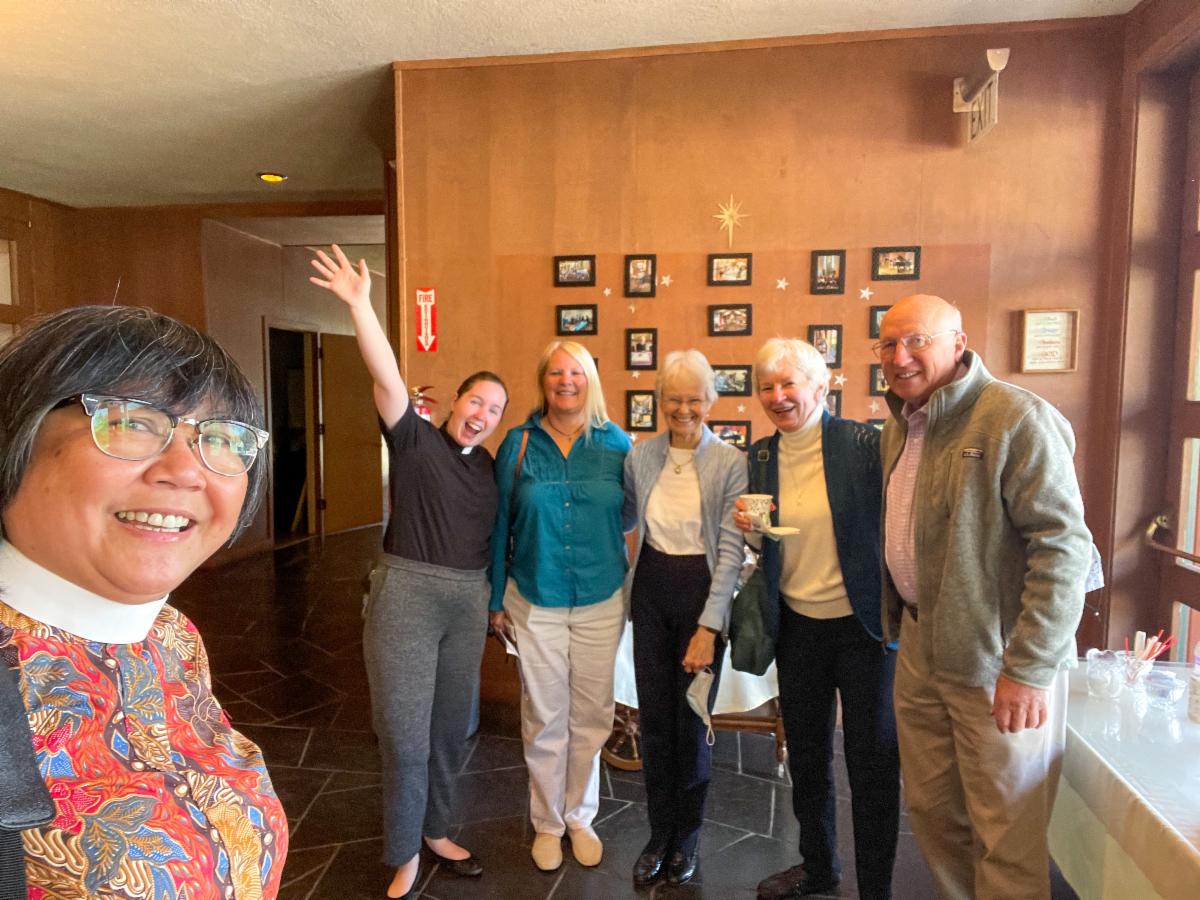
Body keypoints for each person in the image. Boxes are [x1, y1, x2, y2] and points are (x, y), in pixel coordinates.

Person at [0, 305, 288, 897]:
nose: (186, 472)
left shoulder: (172, 635)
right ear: (15, 435)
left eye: (220, 437)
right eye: (130, 421)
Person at [877, 294, 1091, 899]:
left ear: (958, 343)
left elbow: (1064, 548)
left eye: (916, 340)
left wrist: (1028, 668)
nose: (900, 356)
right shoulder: (900, 426)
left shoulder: (1015, 417)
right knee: (935, 816)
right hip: (919, 648)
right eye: (889, 344)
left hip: (997, 659)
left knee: (1006, 831)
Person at [310, 246, 509, 899]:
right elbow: (388, 376)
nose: (481, 414)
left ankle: (437, 830)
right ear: (456, 402)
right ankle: (403, 851)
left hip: (467, 603)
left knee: (451, 731)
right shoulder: (414, 439)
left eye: (494, 410)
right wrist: (358, 304)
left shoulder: (490, 469)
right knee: (403, 734)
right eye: (476, 401)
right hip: (406, 596)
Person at [735, 337, 900, 900]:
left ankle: (875, 886)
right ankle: (819, 866)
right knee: (807, 756)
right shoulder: (760, 456)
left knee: (871, 759)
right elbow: (768, 541)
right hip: (797, 626)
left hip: (863, 627)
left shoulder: (862, 443)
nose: (778, 396)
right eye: (766, 387)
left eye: (789, 384)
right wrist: (751, 530)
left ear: (821, 385)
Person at [488, 340, 631, 873]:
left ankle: (580, 817)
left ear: (590, 379)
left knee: (592, 716)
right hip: (535, 597)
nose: (565, 381)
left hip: (601, 597)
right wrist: (494, 598)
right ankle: (548, 823)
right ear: (542, 381)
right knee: (545, 716)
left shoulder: (617, 443)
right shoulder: (519, 444)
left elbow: (631, 514)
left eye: (576, 372)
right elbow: (499, 523)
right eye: (555, 372)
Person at [622, 350, 747, 887]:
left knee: (691, 723)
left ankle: (687, 837)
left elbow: (731, 551)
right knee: (654, 722)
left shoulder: (730, 462)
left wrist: (708, 626)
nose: (683, 409)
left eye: (694, 399)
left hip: (702, 595)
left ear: (711, 401)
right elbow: (625, 517)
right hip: (651, 591)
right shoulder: (640, 457)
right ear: (659, 401)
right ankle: (659, 835)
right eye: (672, 399)